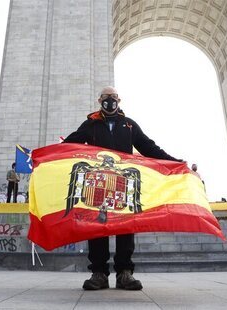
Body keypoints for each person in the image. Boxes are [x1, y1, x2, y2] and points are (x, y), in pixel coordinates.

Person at [63, 86, 182, 291]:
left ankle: (124, 274)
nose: (110, 100)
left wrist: (174, 162)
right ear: (100, 101)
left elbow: (148, 147)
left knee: (125, 228)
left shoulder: (129, 125)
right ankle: (99, 273)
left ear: (120, 100)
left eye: (114, 97)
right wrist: (47, 155)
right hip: (98, 185)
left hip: (122, 185)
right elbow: (70, 144)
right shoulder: (90, 124)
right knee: (97, 227)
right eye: (106, 97)